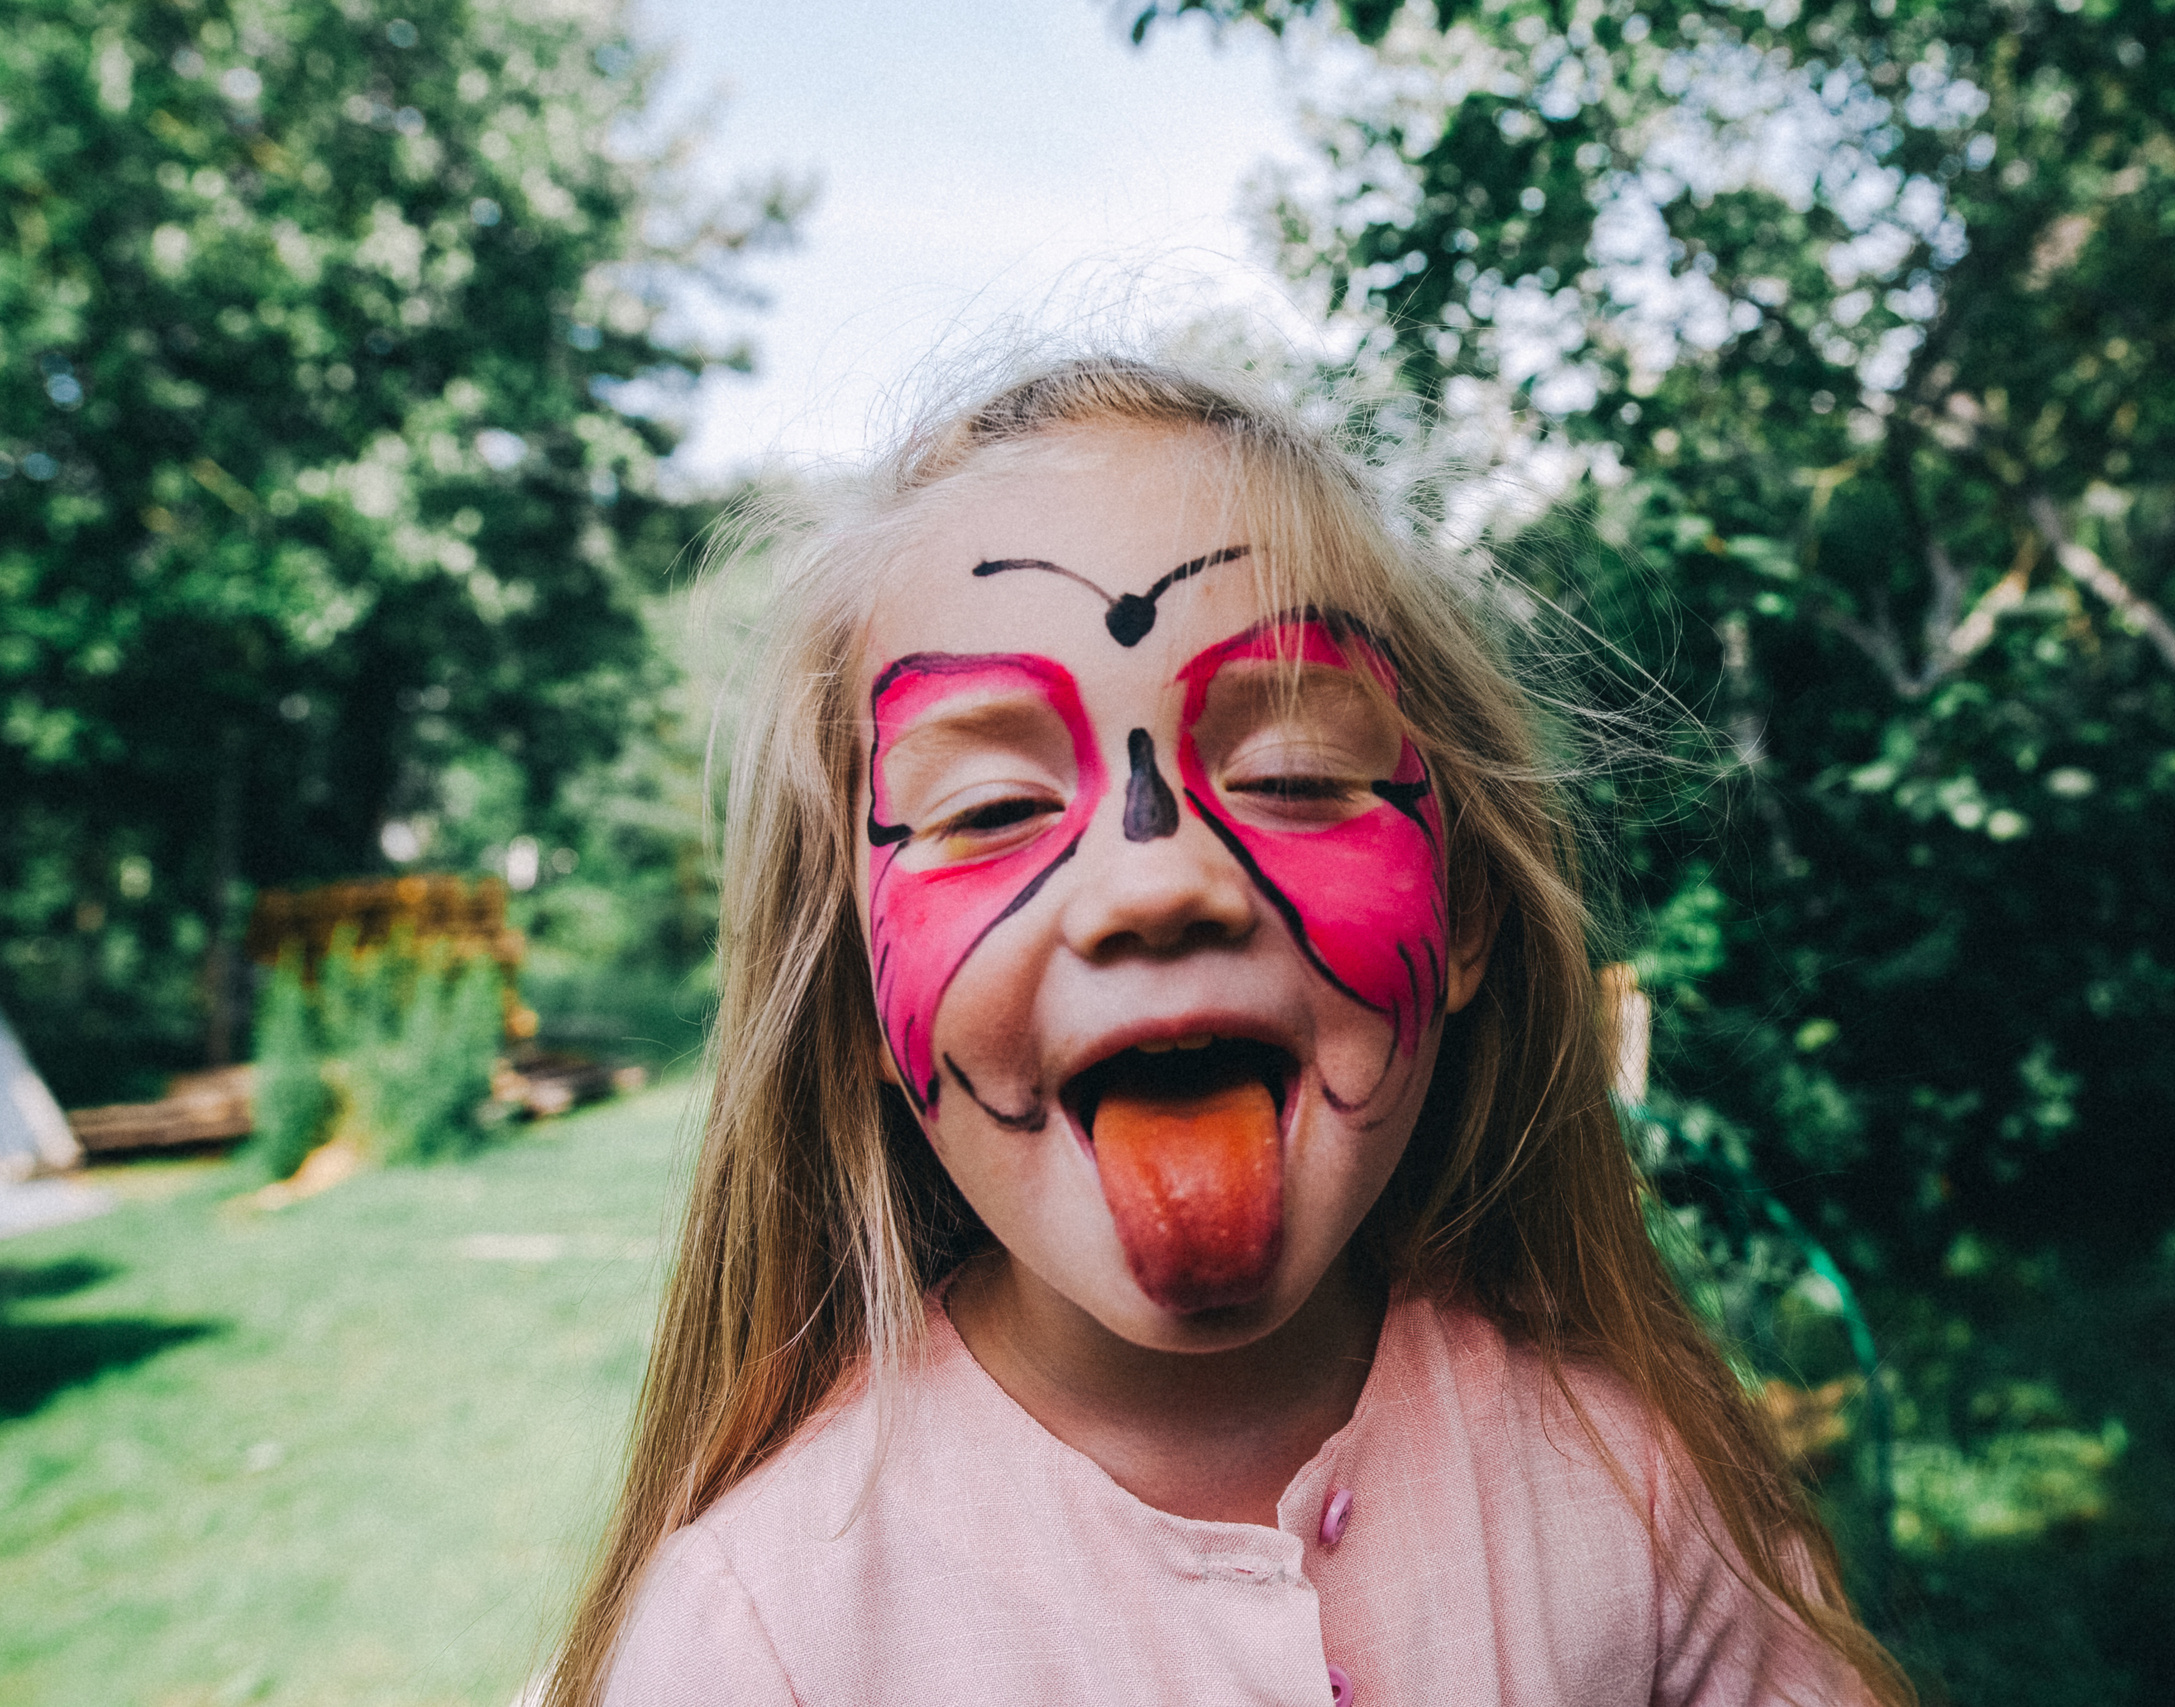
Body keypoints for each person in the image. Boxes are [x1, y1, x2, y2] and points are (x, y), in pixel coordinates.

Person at [548, 356, 1910, 1706]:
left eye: (1293, 775)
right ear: (854, 995)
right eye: (993, 810)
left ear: (1465, 916)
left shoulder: (1634, 1493)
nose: (1156, 882)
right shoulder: (759, 1633)